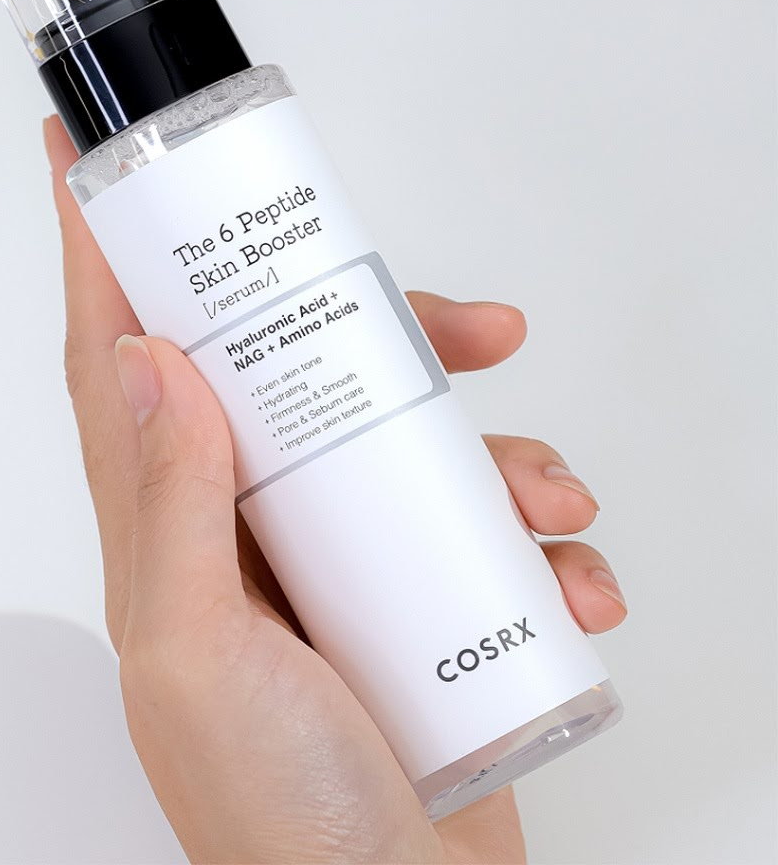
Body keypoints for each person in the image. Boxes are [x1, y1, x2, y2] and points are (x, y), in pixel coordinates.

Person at [43, 116, 628, 864]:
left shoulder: (254, 113)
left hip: (528, 707)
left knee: (391, 376)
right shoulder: (121, 183)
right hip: (394, 756)